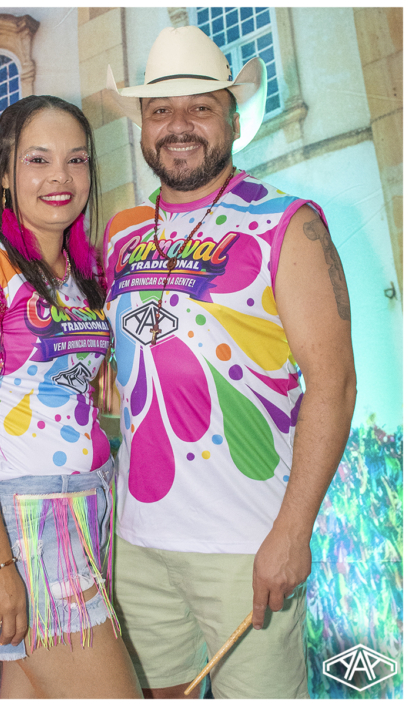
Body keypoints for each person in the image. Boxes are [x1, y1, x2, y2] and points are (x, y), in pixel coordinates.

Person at [103, 26, 357, 699]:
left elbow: (333, 384)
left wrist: (292, 531)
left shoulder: (287, 222)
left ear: (234, 120)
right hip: (137, 544)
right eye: (160, 110)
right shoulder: (121, 233)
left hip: (246, 543)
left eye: (200, 107)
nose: (178, 125)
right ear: (142, 127)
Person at [0, 95, 142, 699]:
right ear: (6, 175)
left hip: (87, 507)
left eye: (77, 159)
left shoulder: (78, 274)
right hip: (28, 523)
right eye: (39, 159)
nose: (60, 177)